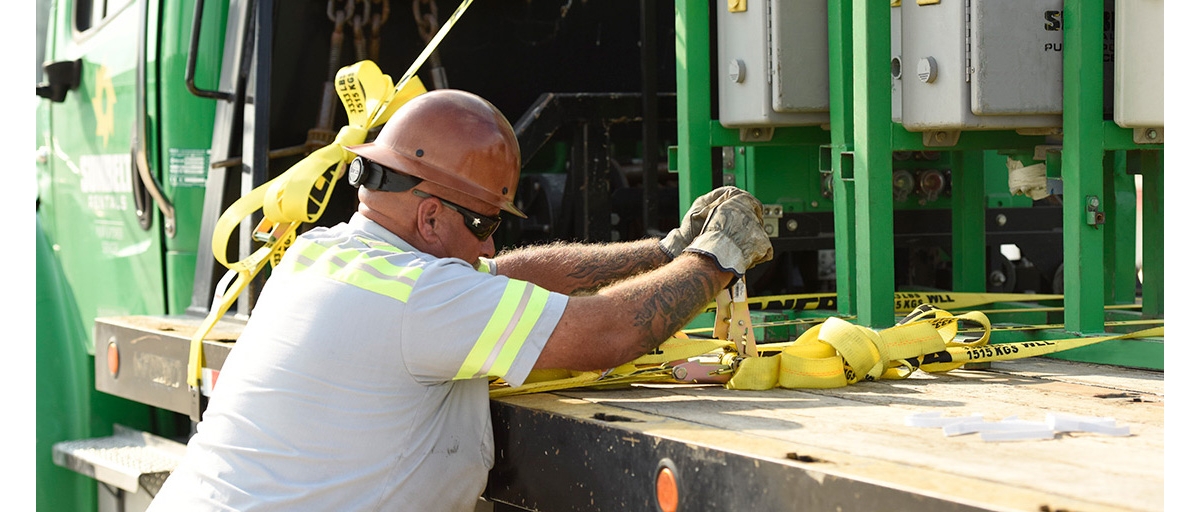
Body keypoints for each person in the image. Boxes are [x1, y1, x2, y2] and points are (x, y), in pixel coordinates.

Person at [149, 89, 773, 511]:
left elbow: (508, 274)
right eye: (482, 222)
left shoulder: (324, 254)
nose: (491, 239)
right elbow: (606, 333)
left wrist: (664, 252)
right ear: (427, 215)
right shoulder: (420, 297)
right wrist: (716, 260)